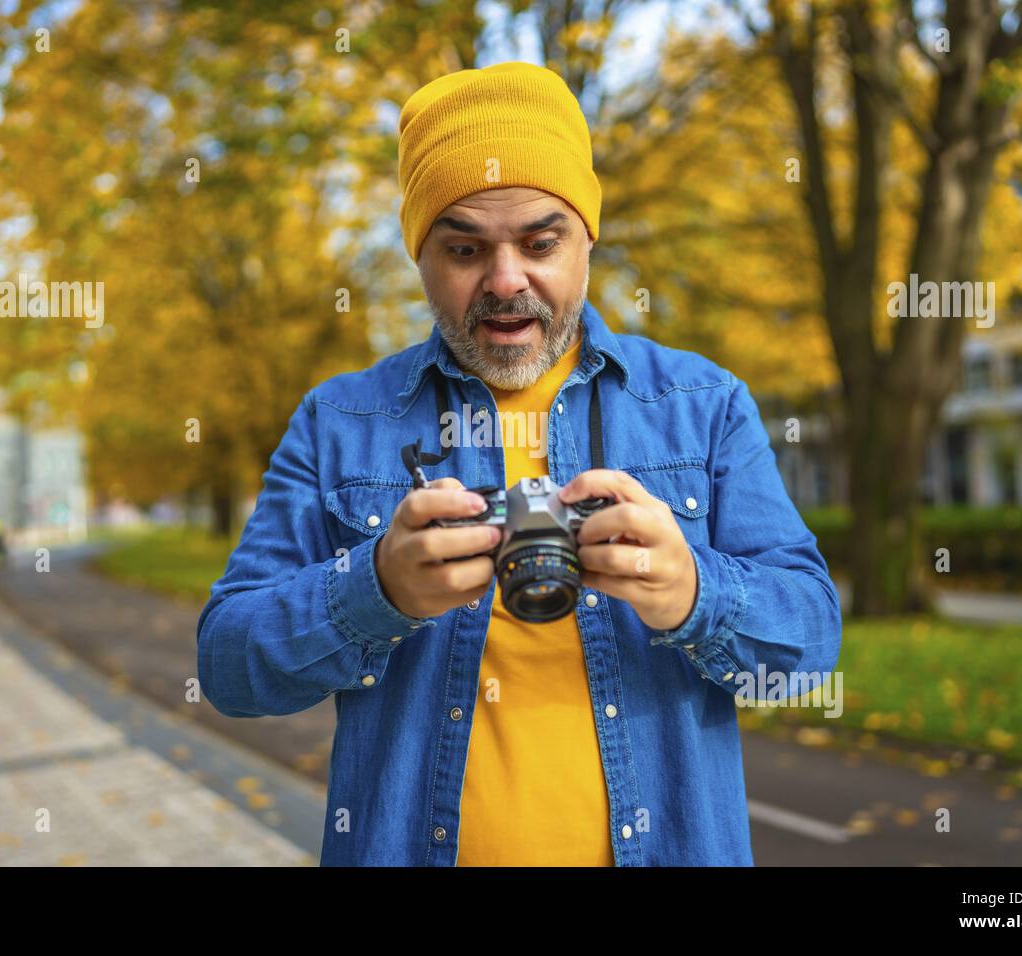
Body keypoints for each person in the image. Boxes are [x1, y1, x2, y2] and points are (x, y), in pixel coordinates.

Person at [196, 62, 842, 866]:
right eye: (465, 247)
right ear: (418, 256)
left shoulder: (701, 403)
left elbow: (811, 647)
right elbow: (227, 664)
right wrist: (377, 590)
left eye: (541, 242)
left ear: (588, 240)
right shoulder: (341, 422)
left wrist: (692, 591)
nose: (507, 282)